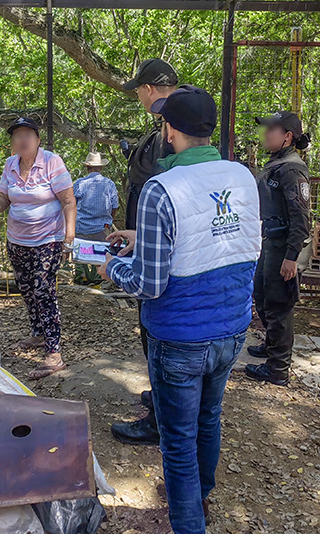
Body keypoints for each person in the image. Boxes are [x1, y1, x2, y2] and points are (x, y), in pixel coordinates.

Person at [99, 87, 261, 534]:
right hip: (231, 327)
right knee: (208, 418)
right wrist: (142, 238)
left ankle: (189, 524)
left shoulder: (160, 188)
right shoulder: (242, 176)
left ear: (170, 131)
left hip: (179, 336)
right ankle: (200, 497)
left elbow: (149, 284)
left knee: (177, 441)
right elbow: (221, 238)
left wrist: (112, 268)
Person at [111, 58, 178, 446]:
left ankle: (160, 419)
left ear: (149, 89)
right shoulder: (163, 127)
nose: (138, 95)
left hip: (158, 247)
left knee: (156, 328)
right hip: (146, 238)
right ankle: (162, 398)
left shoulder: (173, 129)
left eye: (139, 89)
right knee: (149, 326)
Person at [0, 117, 77, 379]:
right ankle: (38, 334)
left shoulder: (51, 162)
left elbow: (68, 201)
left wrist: (69, 237)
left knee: (43, 291)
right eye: (17, 136)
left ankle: (54, 353)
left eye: (28, 134)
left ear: (38, 140)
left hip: (48, 239)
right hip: (17, 241)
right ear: (12, 143)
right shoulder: (10, 164)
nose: (23, 140)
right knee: (26, 289)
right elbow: (4, 196)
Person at [244, 111, 312, 386]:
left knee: (279, 305)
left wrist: (291, 256)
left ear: (287, 136)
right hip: (270, 242)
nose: (266, 133)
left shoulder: (292, 169)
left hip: (284, 246)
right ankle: (271, 347)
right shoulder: (276, 163)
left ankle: (278, 369)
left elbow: (301, 218)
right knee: (263, 297)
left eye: (271, 129)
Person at [72, 152, 118, 285]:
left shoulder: (80, 183)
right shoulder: (109, 184)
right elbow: (115, 206)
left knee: (80, 255)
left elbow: (72, 205)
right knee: (101, 255)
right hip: (102, 228)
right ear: (101, 168)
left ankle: (81, 280)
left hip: (82, 227)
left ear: (87, 167)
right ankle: (99, 280)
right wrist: (109, 220)